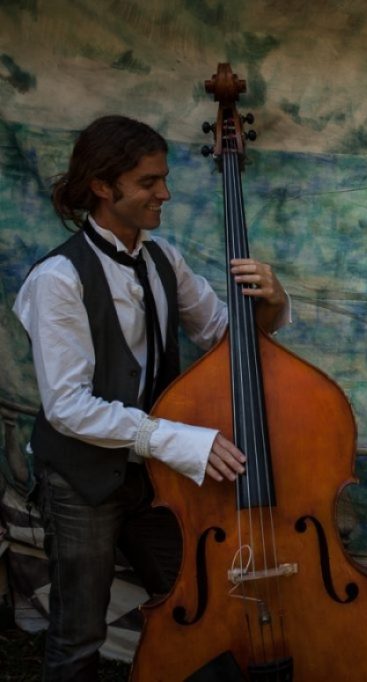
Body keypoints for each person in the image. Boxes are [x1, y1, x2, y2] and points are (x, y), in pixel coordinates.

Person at [13, 115, 289, 681]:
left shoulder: (165, 258)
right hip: (83, 476)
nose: (164, 193)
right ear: (102, 186)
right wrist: (176, 439)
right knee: (79, 632)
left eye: (163, 179)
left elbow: (224, 337)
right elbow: (68, 407)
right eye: (147, 182)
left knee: (202, 606)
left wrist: (271, 303)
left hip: (154, 475)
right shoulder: (58, 279)